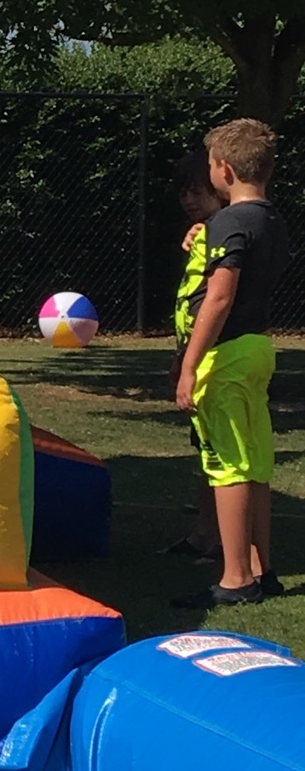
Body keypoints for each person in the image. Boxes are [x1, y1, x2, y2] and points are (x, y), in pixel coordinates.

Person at [174, 118, 289, 608]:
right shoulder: (271, 219)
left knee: (228, 466)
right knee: (255, 462)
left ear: (223, 169)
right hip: (257, 349)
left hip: (226, 355)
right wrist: (206, 236)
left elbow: (219, 297)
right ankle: (263, 568)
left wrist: (189, 365)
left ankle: (236, 577)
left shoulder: (229, 222)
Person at [165, 150, 225, 563]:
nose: (189, 200)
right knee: (205, 450)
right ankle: (205, 532)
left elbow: (217, 300)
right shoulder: (204, 233)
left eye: (197, 191)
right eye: (184, 192)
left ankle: (222, 539)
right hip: (196, 353)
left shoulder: (227, 232)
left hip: (219, 358)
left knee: (221, 455)